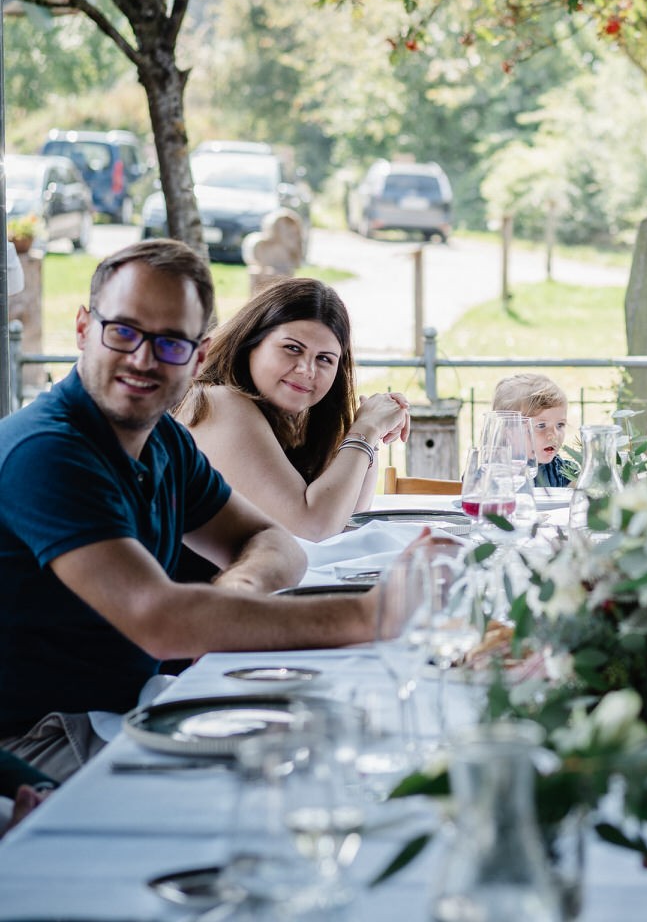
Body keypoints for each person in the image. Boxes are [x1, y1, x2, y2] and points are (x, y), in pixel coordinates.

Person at [0, 241, 384, 782]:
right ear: (84, 329)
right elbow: (160, 623)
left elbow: (276, 541)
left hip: (130, 708)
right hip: (37, 741)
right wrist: (371, 617)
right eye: (124, 331)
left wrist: (239, 590)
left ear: (199, 356)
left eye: (171, 343)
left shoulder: (162, 441)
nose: (143, 358)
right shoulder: (46, 450)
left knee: (348, 740)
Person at [176, 277, 410, 542]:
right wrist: (365, 431)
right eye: (292, 348)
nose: (306, 370)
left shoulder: (289, 416)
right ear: (250, 344)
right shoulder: (220, 403)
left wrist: (371, 431)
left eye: (324, 359)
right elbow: (313, 529)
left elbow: (347, 517)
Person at [492, 372, 574, 487]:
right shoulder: (491, 471)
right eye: (541, 426)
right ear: (508, 432)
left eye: (560, 425)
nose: (553, 435)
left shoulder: (562, 471)